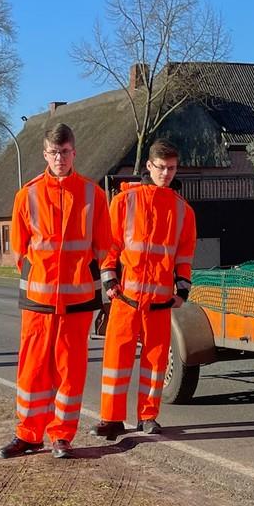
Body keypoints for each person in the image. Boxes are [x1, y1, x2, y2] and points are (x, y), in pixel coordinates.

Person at [0, 122, 113, 459]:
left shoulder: (94, 195)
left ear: (74, 152)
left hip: (77, 303)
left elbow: (104, 249)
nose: (59, 158)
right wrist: (43, 282)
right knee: (32, 370)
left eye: (65, 152)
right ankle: (28, 435)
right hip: (38, 302)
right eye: (53, 152)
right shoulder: (27, 195)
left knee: (70, 372)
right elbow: (20, 252)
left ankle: (61, 436)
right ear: (44, 154)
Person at [94, 138, 197, 439]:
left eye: (172, 168)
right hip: (126, 298)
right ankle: (110, 418)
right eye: (161, 167)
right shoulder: (124, 202)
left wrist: (182, 291)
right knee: (116, 360)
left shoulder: (182, 211)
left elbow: (184, 256)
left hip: (160, 302)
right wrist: (109, 280)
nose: (166, 173)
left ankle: (148, 416)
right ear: (149, 166)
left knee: (155, 362)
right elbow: (109, 246)